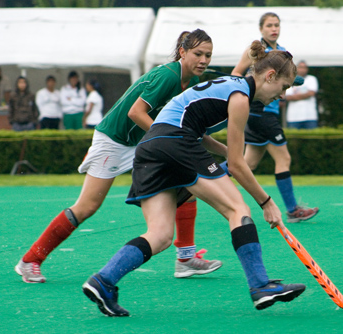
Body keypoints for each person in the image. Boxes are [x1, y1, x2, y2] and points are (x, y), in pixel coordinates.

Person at [82, 40, 306, 317]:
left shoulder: (232, 85)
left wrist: (225, 156)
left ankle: (103, 281)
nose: (282, 95)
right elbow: (236, 164)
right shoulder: (240, 99)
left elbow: (205, 136)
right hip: (177, 144)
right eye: (283, 87)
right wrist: (267, 201)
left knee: (160, 235)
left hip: (150, 148)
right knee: (238, 209)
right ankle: (260, 286)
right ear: (269, 76)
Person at [15, 29, 221, 283]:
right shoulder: (169, 76)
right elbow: (136, 113)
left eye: (208, 55)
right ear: (182, 52)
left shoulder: (184, 80)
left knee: (186, 182)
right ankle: (31, 260)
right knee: (87, 206)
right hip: (114, 141)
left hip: (139, 142)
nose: (203, 60)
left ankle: (186, 258)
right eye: (198, 54)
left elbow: (183, 128)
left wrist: (228, 151)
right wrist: (167, 137)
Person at [224, 12, 319, 223]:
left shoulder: (282, 52)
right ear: (261, 29)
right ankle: (293, 210)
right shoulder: (255, 50)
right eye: (269, 25)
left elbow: (284, 80)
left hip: (268, 113)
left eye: (276, 25)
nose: (273, 28)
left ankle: (202, 179)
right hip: (262, 112)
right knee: (283, 158)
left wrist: (294, 80)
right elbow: (235, 74)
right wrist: (250, 88)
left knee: (248, 163)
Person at [285, 60, 319, 129]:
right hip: (293, 117)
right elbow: (288, 97)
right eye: (300, 67)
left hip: (310, 116)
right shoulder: (290, 79)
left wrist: (295, 96)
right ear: (296, 68)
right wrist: (305, 95)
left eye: (304, 67)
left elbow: (311, 93)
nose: (302, 69)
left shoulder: (312, 79)